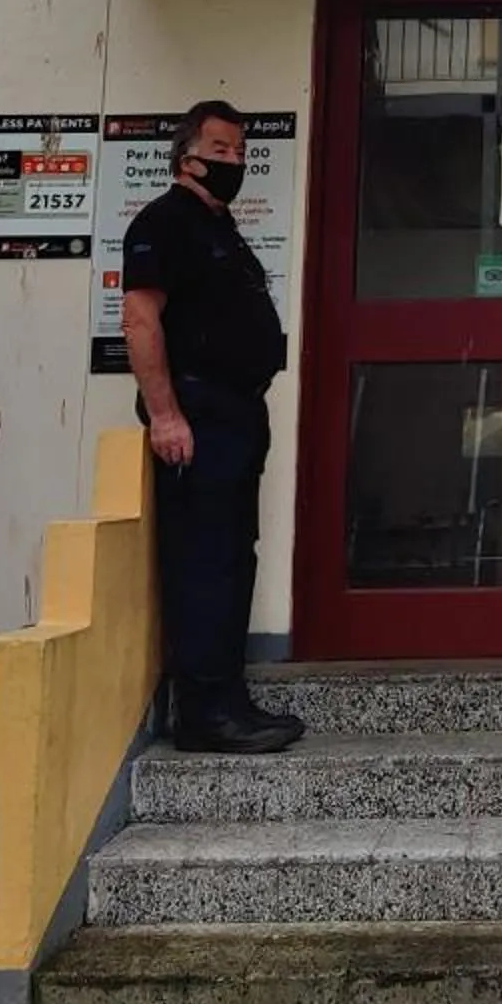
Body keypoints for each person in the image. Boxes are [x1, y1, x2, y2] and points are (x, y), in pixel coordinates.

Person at [122, 101, 304, 755]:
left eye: (241, 152)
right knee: (202, 561)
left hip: (236, 412)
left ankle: (230, 701)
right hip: (197, 413)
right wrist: (165, 414)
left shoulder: (220, 228)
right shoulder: (164, 222)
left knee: (231, 556)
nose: (233, 162)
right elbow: (140, 319)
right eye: (220, 150)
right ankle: (203, 713)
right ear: (186, 157)